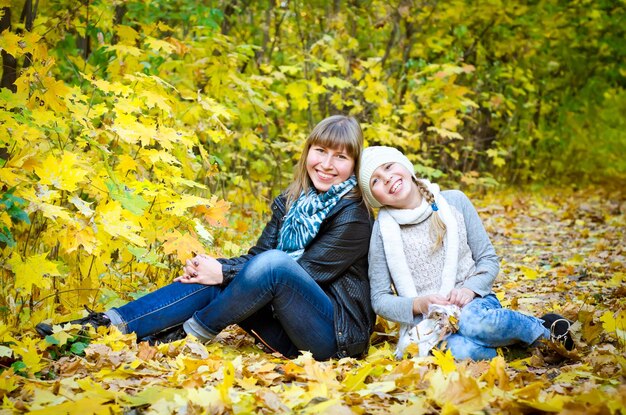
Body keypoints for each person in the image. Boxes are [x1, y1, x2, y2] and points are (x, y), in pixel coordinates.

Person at [37, 115, 375, 360]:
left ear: (354, 165)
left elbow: (297, 272)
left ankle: (186, 335)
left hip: (332, 337)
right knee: (216, 274)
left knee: (265, 266)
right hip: (283, 326)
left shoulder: (354, 215)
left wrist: (226, 272)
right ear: (307, 153)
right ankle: (100, 327)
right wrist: (215, 269)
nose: (327, 164)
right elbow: (256, 258)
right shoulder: (291, 202)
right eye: (321, 151)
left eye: (341, 157)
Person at [357, 146, 574, 360]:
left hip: (474, 304)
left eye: (388, 166)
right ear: (373, 196)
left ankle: (546, 334)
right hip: (430, 322)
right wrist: (418, 304)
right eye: (375, 180)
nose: (386, 178)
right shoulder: (382, 231)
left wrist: (470, 290)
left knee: (474, 323)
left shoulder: (454, 202)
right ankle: (514, 344)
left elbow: (488, 259)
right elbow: (379, 299)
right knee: (463, 352)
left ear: (406, 166)